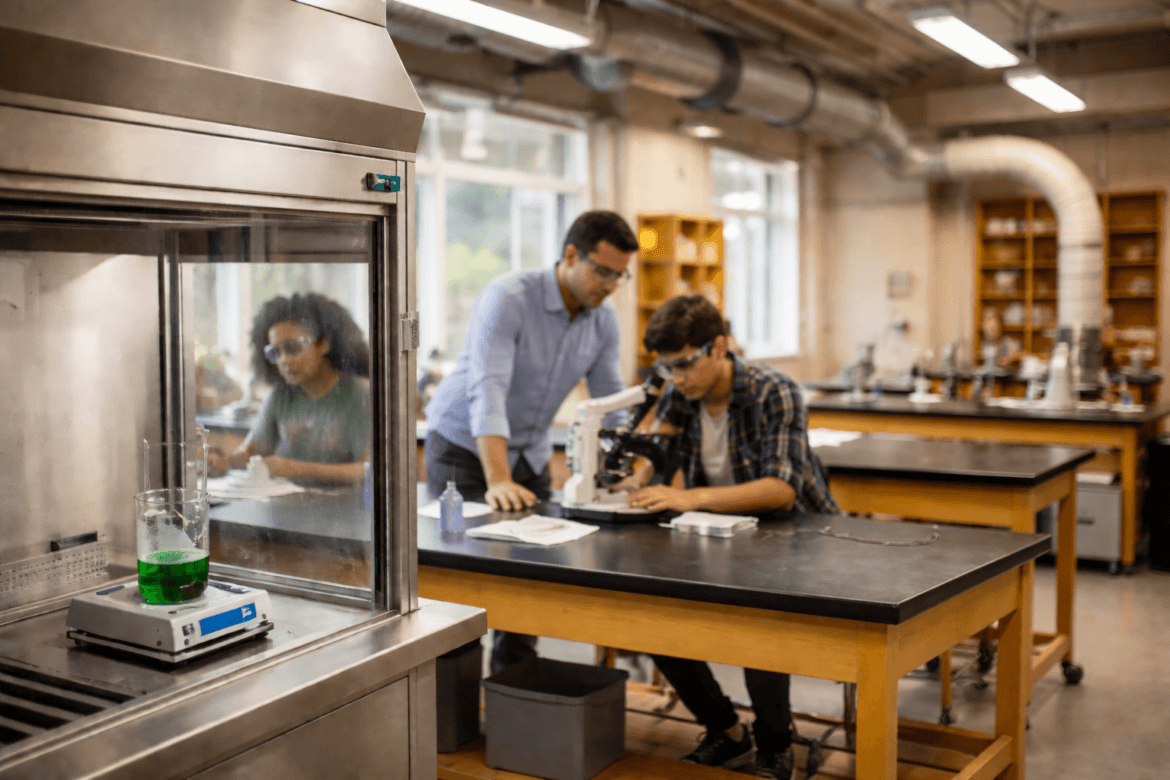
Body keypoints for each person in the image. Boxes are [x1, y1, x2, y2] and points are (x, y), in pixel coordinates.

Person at [624, 294, 839, 780]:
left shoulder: (773, 391)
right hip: (725, 534)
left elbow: (781, 491)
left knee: (757, 620)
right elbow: (658, 459)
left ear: (718, 347)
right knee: (650, 610)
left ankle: (775, 744)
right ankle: (726, 731)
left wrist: (688, 498)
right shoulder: (682, 394)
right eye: (667, 369)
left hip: (798, 536)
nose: (676, 379)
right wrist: (632, 481)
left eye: (684, 365)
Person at [424, 209, 639, 673]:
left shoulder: (603, 320)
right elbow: (489, 387)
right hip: (464, 445)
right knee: (458, 576)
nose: (610, 285)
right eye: (603, 272)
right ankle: (448, 701)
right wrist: (497, 478)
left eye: (620, 277)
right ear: (569, 255)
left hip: (529, 448)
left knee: (530, 573)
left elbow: (609, 400)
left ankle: (514, 688)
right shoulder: (509, 297)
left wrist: (625, 470)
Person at [209, 293, 371, 485]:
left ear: (323, 343)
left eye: (293, 348)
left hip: (344, 511)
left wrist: (296, 469)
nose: (284, 360)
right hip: (286, 508)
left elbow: (368, 470)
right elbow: (251, 452)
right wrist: (223, 462)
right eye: (275, 352)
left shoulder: (359, 395)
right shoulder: (280, 393)